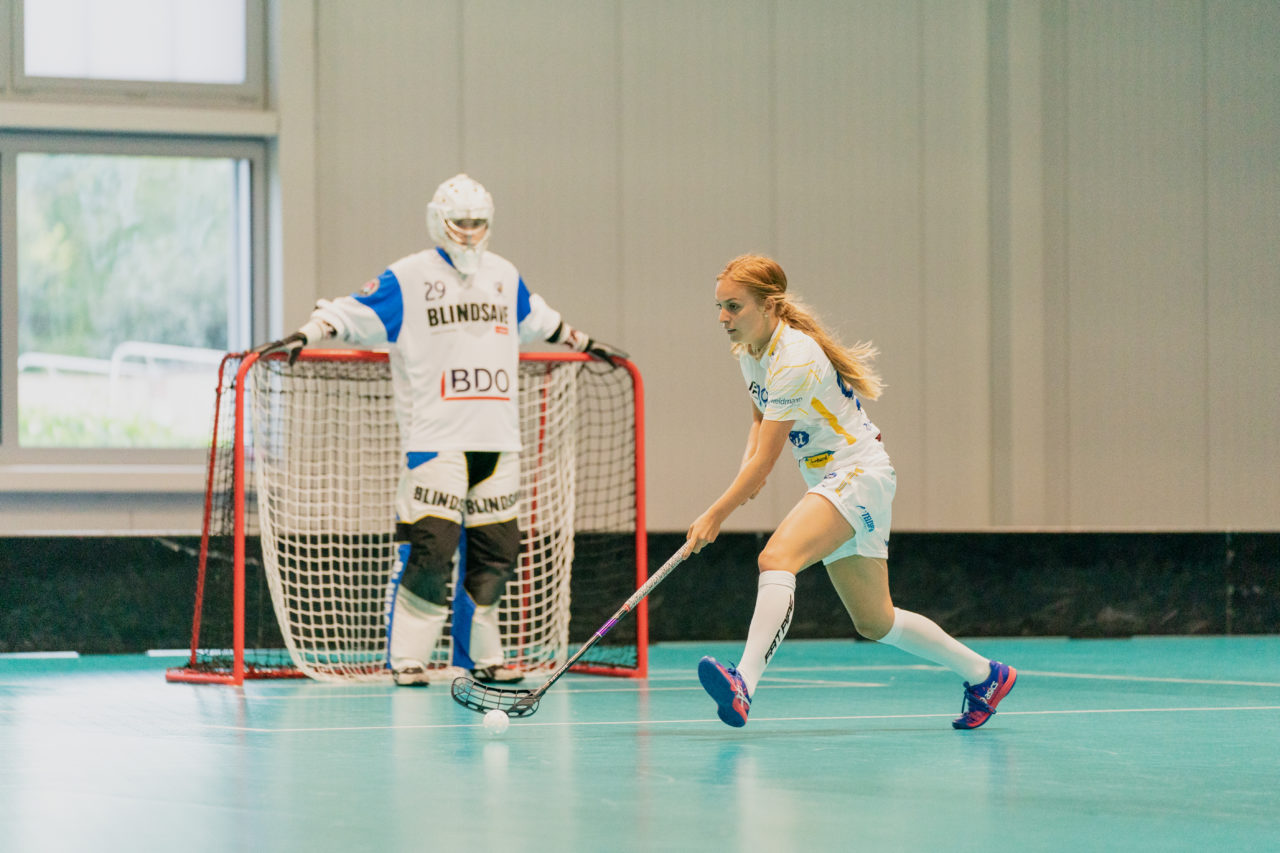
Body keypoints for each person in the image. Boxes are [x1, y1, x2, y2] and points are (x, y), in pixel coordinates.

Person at [263, 173, 625, 687]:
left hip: (499, 439)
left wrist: (586, 342)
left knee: (497, 555)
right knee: (431, 551)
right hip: (436, 440)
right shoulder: (408, 277)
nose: (470, 233)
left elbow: (539, 318)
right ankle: (408, 657)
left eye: (479, 223)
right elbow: (352, 310)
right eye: (461, 223)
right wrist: (307, 332)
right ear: (439, 221)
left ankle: (481, 655)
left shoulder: (504, 274)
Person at [686, 254, 1015, 730]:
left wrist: (717, 512)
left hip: (857, 474)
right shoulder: (751, 353)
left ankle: (744, 684)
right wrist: (746, 476)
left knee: (776, 558)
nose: (723, 318)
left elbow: (766, 462)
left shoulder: (794, 358)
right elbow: (759, 423)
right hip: (837, 481)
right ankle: (985, 675)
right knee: (875, 621)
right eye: (719, 307)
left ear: (769, 305)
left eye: (733, 306)